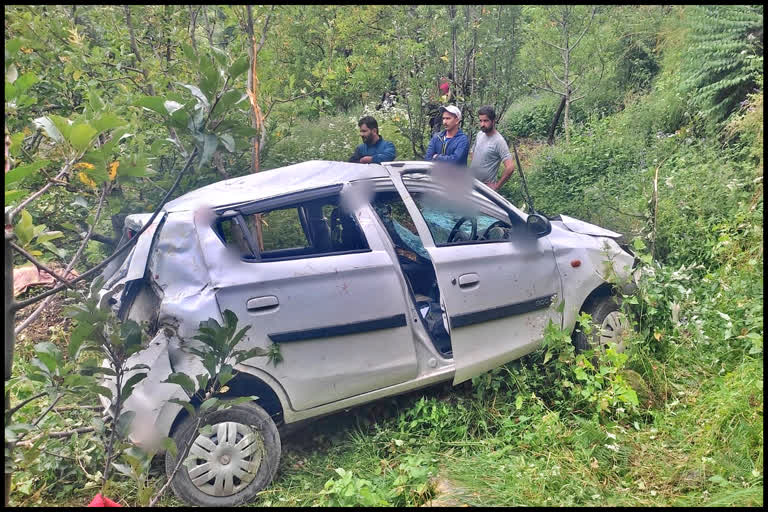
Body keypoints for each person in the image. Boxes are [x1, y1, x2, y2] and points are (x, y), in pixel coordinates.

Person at [469, 105, 515, 191]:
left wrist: (496, 186)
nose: (482, 124)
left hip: (484, 189)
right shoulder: (480, 134)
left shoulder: (499, 141)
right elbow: (473, 152)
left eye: (486, 121)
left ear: (493, 121)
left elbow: (510, 167)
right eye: (480, 121)